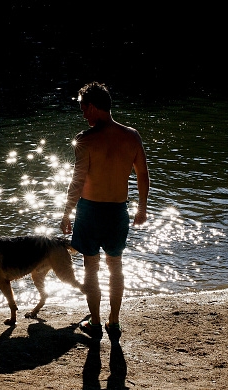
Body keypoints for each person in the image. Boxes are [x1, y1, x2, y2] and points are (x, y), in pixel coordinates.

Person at [60, 82, 150, 340]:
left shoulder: (85, 139)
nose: (82, 113)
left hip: (89, 211)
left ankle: (96, 322)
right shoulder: (131, 136)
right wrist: (141, 207)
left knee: (91, 268)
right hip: (117, 212)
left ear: (93, 106)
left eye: (83, 108)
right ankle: (114, 321)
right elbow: (143, 175)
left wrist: (67, 212)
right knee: (115, 266)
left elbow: (77, 181)